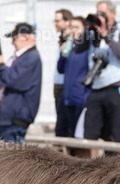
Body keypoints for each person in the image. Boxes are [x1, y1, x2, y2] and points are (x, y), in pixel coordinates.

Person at [80, 1, 120, 142]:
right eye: (97, 13)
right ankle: (90, 162)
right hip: (96, 87)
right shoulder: (93, 32)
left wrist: (105, 34)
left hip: (116, 86)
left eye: (102, 13)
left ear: (113, 13)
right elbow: (77, 49)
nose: (99, 16)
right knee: (90, 133)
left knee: (118, 133)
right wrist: (87, 30)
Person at [0, 22, 42, 143]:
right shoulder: (21, 57)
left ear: (26, 36)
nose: (12, 42)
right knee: (5, 154)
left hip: (15, 116)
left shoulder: (30, 57)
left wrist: (0, 64)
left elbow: (11, 80)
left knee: (12, 155)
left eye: (14, 38)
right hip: (7, 115)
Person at [56, 16, 92, 137]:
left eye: (77, 27)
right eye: (71, 27)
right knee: (66, 132)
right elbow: (60, 69)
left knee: (78, 134)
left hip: (80, 97)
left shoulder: (87, 48)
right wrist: (63, 53)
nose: (73, 30)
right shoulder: (70, 47)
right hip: (67, 97)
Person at [52, 8, 73, 136]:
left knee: (64, 124)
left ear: (67, 21)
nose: (55, 23)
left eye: (57, 20)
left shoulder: (72, 40)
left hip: (66, 85)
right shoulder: (62, 39)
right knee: (60, 119)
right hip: (59, 83)